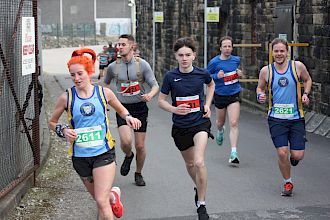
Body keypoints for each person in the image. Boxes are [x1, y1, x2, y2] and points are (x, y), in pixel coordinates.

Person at [48, 48, 141, 220]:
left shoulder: (104, 93)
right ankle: (113, 196)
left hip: (103, 153)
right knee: (102, 199)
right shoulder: (66, 97)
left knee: (100, 202)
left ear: (89, 72)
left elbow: (122, 111)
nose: (76, 78)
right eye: (72, 75)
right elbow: (52, 122)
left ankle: (109, 198)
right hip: (80, 157)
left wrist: (129, 118)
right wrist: (63, 130)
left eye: (80, 74)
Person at [158, 37, 215, 220]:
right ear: (176, 56)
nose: (184, 58)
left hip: (200, 123)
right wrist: (174, 109)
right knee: (190, 164)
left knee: (199, 162)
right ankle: (198, 187)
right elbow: (160, 101)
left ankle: (202, 204)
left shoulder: (201, 73)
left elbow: (211, 84)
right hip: (181, 127)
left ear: (194, 56)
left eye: (188, 55)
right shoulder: (170, 77)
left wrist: (207, 104)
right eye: (181, 55)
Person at [256, 38, 312, 196]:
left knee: (297, 155)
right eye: (276, 51)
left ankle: (294, 157)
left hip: (296, 118)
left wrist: (306, 94)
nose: (279, 54)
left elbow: (308, 80)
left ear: (287, 52)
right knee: (282, 152)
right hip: (276, 118)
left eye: (282, 51)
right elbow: (260, 87)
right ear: (272, 52)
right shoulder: (266, 71)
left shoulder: (297, 66)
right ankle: (288, 182)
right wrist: (260, 95)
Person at [104, 34, 159, 186]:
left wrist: (150, 95)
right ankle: (128, 155)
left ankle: (138, 173)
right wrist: (107, 102)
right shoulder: (113, 67)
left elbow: (155, 85)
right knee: (126, 141)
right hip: (123, 108)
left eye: (123, 44)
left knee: (140, 145)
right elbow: (105, 85)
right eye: (118, 44)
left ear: (132, 46)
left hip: (140, 108)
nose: (119, 47)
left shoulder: (143, 65)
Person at [207, 36, 242, 165]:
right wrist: (217, 76)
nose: (227, 49)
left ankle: (234, 153)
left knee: (233, 122)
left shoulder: (236, 60)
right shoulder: (214, 62)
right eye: (225, 46)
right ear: (220, 48)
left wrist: (239, 73)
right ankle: (220, 130)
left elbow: (238, 73)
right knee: (220, 122)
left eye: (229, 46)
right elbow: (206, 76)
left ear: (232, 48)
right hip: (220, 95)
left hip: (234, 93)